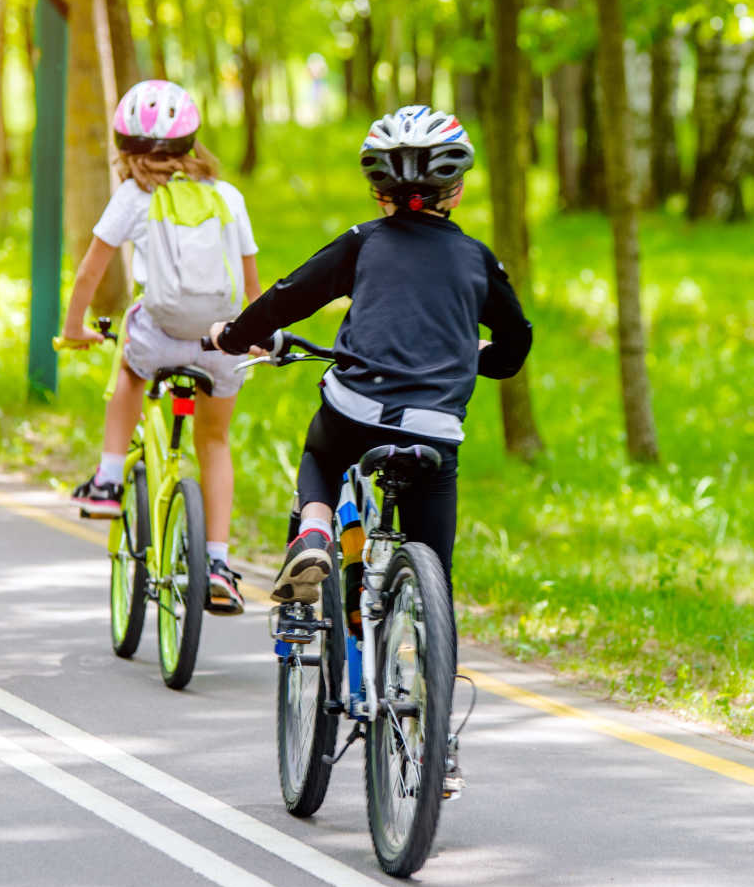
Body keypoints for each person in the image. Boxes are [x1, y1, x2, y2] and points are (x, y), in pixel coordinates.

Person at [207, 105, 532, 607]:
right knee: (434, 580)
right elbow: (515, 346)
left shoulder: (364, 242)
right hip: (434, 427)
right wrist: (478, 355)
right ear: (458, 189)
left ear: (379, 193)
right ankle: (423, 644)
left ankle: (313, 531)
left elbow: (288, 297)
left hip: (357, 410)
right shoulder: (478, 259)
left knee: (321, 450)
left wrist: (231, 336)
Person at [61, 79, 260, 614]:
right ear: (191, 144)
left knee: (130, 363)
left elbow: (89, 274)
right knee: (214, 442)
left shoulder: (133, 198)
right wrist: (257, 338)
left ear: (124, 150)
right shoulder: (228, 197)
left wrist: (76, 328)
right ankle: (217, 561)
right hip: (222, 340)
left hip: (161, 337)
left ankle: (106, 480)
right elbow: (251, 283)